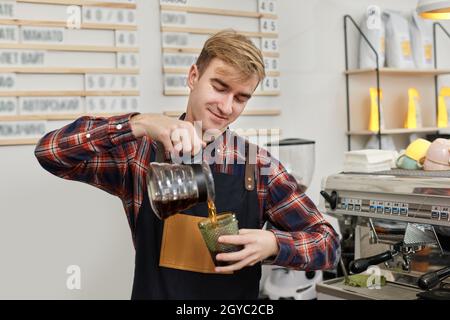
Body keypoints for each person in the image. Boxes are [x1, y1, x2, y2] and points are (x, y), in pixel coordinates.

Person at [35, 30, 340, 300]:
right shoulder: (139, 152)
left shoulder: (257, 166)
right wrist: (138, 123)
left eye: (241, 98)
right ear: (194, 76)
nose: (226, 107)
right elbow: (51, 153)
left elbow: (328, 244)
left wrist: (274, 243)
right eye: (219, 87)